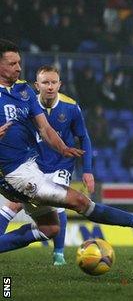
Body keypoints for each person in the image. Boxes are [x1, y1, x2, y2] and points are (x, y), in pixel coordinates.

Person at [0, 39, 133, 255]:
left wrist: (63, 149)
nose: (19, 68)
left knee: (50, 228)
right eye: (12, 64)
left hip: (32, 166)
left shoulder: (24, 91)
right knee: (79, 201)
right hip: (15, 173)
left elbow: (45, 128)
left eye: (19, 62)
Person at [0, 65, 95, 265]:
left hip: (61, 164)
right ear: (37, 86)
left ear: (60, 84)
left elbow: (83, 137)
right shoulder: (26, 104)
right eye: (45, 83)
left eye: (53, 82)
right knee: (13, 204)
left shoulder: (71, 107)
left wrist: (87, 170)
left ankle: (59, 254)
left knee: (57, 201)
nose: (50, 87)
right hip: (34, 163)